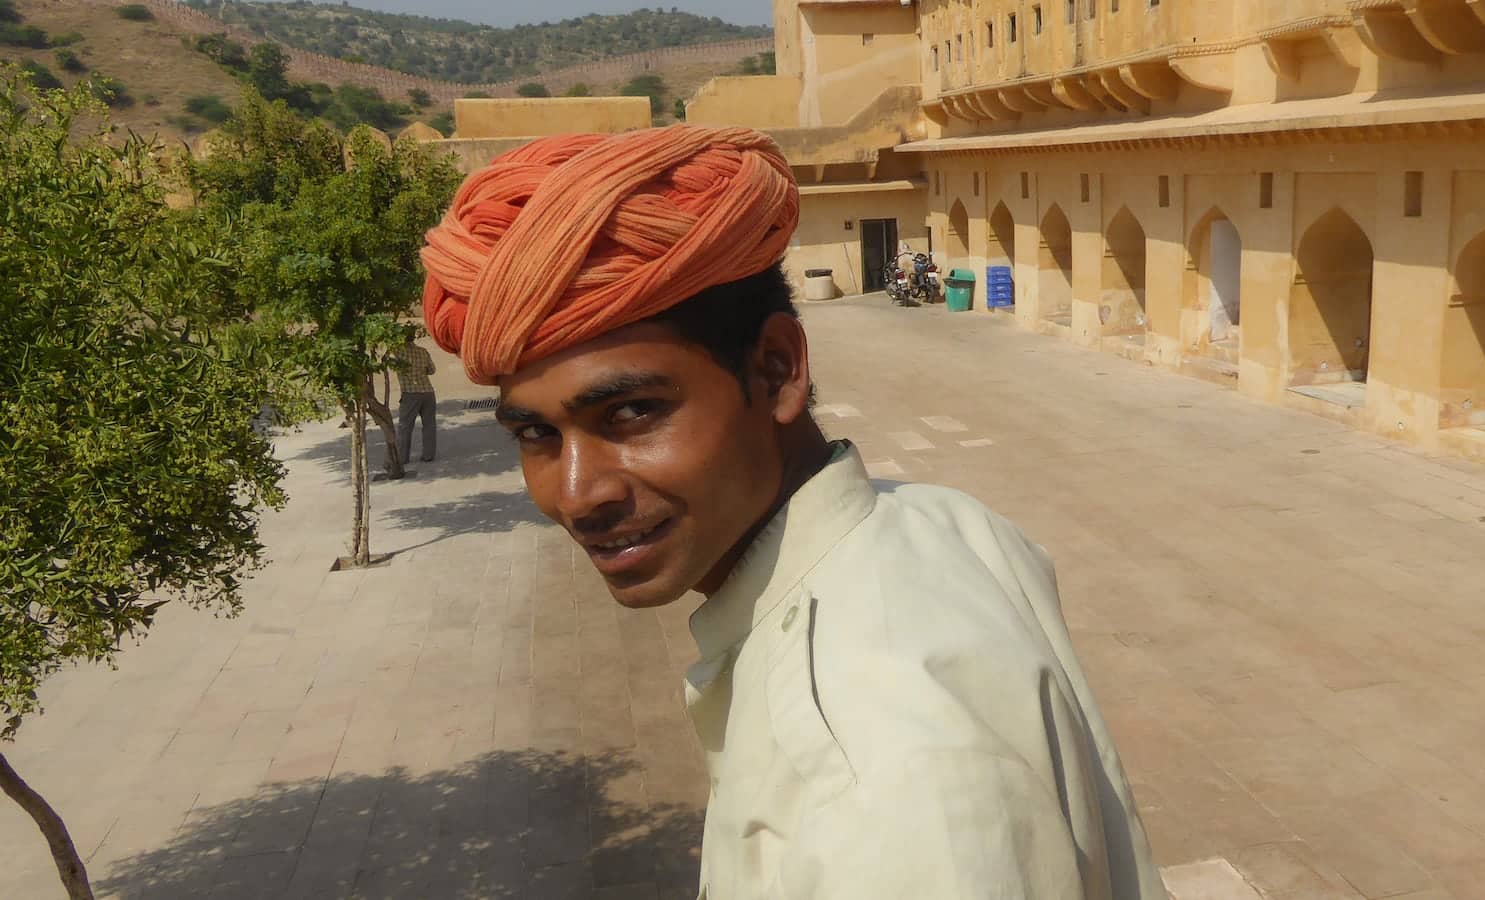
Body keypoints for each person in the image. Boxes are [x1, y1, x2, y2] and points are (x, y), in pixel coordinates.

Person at [418, 126, 1163, 899]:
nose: (576, 494)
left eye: (633, 413)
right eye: (536, 433)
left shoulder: (878, 772)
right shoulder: (943, 521)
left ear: (777, 370)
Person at [394, 337, 437, 463]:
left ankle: (402, 457)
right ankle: (428, 455)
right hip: (428, 391)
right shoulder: (423, 351)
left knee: (405, 427)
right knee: (429, 425)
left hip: (410, 393)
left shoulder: (397, 351)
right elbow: (432, 370)